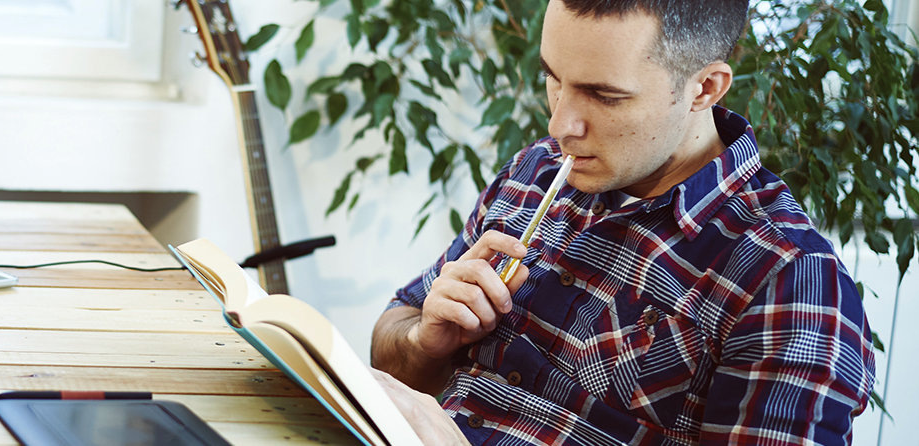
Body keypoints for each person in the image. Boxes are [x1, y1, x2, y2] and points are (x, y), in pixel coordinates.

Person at [370, 0, 876, 444]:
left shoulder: (789, 278)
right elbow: (392, 346)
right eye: (553, 78)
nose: (560, 125)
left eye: (604, 96)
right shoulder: (533, 171)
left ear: (705, 88)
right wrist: (424, 343)